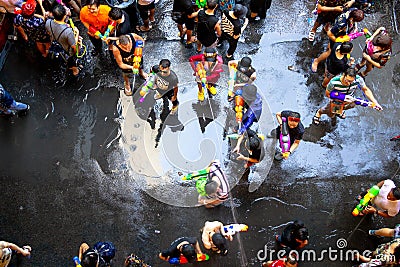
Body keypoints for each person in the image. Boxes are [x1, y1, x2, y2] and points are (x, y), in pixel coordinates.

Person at [313, 67, 382, 125]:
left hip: (349, 100)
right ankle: (319, 112)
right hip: (337, 101)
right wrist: (342, 97)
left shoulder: (358, 79)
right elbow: (328, 94)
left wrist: (375, 103)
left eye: (351, 81)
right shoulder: (334, 82)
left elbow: (365, 90)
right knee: (331, 114)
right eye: (347, 80)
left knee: (352, 105)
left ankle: (340, 111)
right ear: (344, 75)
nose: (349, 83)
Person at [311, 8, 364, 72]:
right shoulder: (342, 24)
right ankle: (316, 61)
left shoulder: (352, 11)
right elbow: (330, 34)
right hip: (337, 37)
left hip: (343, 36)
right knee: (329, 51)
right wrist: (338, 42)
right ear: (352, 18)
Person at [45, 4, 81, 76]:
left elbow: (49, 33)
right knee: (71, 62)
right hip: (66, 51)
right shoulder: (68, 31)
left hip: (55, 46)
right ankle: (74, 70)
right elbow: (74, 47)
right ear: (65, 16)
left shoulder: (48, 22)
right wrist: (77, 34)